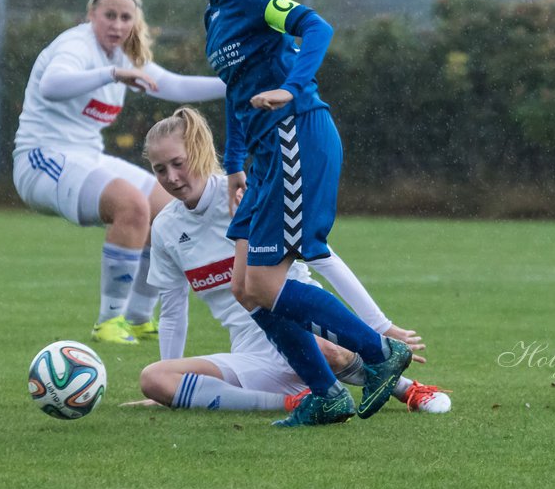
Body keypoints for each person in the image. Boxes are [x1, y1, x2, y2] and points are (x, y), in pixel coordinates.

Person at [164, 0, 414, 427]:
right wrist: (233, 163)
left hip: (296, 139)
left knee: (267, 285)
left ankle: (377, 352)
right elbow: (237, 93)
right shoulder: (216, 12)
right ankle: (326, 395)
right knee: (244, 286)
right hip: (262, 155)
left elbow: (315, 26)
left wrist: (291, 88)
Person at [127, 107, 451, 415]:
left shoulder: (251, 197)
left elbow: (322, 255)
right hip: (251, 355)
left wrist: (381, 326)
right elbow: (172, 308)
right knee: (154, 379)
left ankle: (407, 389)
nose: (171, 177)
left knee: (326, 349)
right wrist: (170, 393)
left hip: (310, 336)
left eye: (177, 163)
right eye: (160, 169)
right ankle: (293, 402)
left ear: (200, 152)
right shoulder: (166, 227)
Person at [13, 0, 225, 345]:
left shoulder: (124, 54)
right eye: (109, 15)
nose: (117, 25)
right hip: (40, 158)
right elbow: (52, 84)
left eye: (126, 17)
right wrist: (111, 74)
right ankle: (109, 322)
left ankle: (139, 317)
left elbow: (171, 85)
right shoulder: (76, 45)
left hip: (86, 157)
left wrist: (236, 86)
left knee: (169, 208)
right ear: (91, 14)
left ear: (136, 21)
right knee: (131, 204)